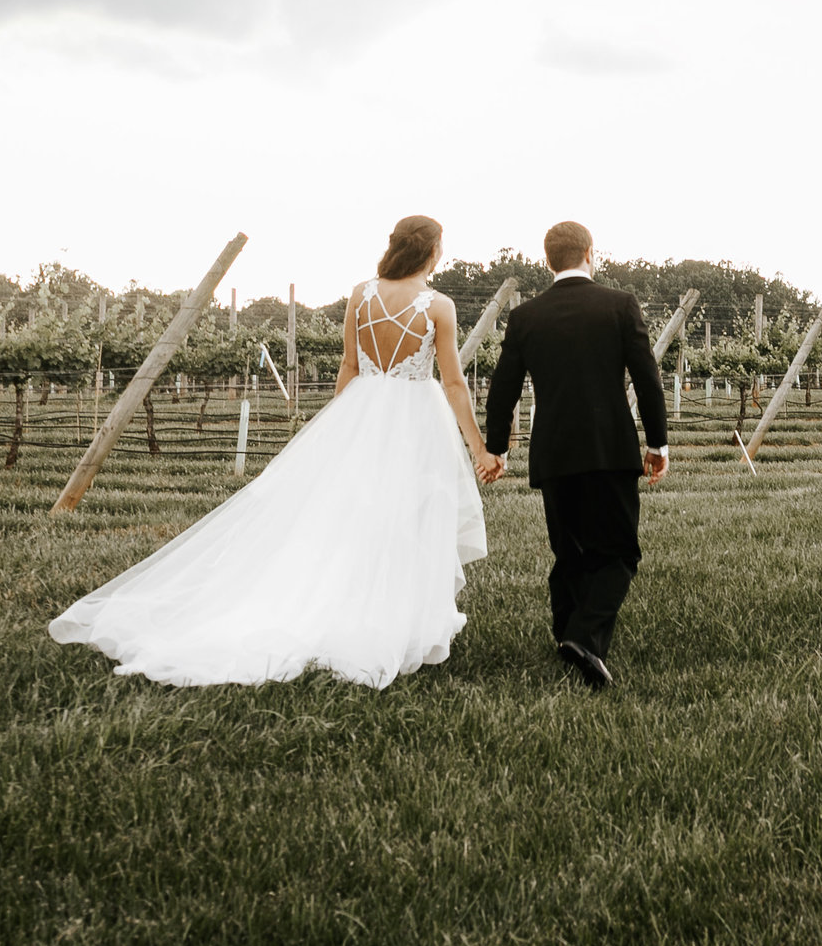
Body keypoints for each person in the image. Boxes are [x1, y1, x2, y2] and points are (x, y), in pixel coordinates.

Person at [48, 215, 504, 688]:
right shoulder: (439, 306)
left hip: (360, 409)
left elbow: (348, 368)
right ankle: (390, 617)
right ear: (433, 252)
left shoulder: (360, 295)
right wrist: (478, 448)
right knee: (406, 514)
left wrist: (341, 431)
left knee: (350, 515)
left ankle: (353, 604)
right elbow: (452, 382)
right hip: (414, 419)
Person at [485, 220, 667, 688]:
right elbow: (647, 378)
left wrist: (497, 448)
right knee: (620, 552)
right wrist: (657, 443)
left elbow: (502, 389)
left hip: (555, 451)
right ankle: (584, 638)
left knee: (568, 552)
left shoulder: (526, 317)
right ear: (590, 252)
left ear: (549, 260)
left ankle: (566, 636)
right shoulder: (620, 305)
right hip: (610, 449)